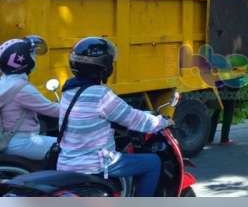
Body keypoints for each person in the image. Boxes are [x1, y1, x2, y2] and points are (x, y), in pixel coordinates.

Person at [57, 37, 171, 197]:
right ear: (104, 67)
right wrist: (162, 122)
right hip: (94, 164)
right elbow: (134, 119)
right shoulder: (101, 95)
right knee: (153, 162)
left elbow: (92, 116)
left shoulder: (68, 90)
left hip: (66, 162)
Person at [0, 36, 59, 160]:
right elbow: (54, 110)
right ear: (24, 60)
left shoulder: (4, 81)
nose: (35, 58)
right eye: (32, 55)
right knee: (69, 148)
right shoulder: (22, 88)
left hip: (7, 139)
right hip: (21, 141)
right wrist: (78, 107)